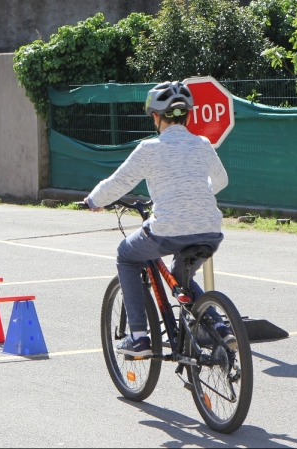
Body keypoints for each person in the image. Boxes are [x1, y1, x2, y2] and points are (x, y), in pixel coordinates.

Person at [84, 81, 234, 358]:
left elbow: (118, 183)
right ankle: (219, 325)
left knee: (126, 255)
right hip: (211, 232)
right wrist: (194, 193)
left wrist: (94, 201)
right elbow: (221, 180)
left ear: (155, 117)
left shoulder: (150, 148)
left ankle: (139, 337)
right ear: (188, 115)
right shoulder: (202, 144)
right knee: (181, 278)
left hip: (168, 231)